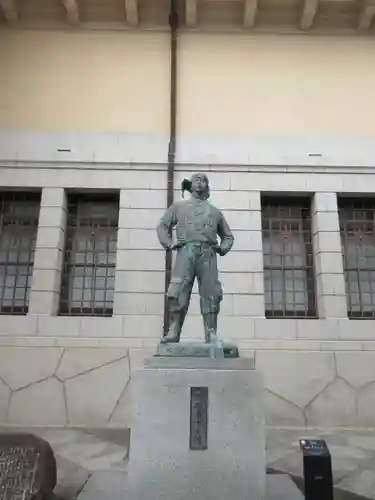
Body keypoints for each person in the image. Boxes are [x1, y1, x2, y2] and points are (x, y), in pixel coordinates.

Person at [157, 173, 234, 344]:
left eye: (203, 180)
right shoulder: (178, 207)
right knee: (178, 291)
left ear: (207, 186)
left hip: (208, 253)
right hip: (186, 252)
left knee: (211, 292)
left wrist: (222, 249)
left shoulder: (215, 212)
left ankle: (211, 332)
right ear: (190, 185)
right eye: (197, 180)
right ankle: (174, 330)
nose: (200, 183)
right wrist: (170, 244)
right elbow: (163, 226)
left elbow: (228, 236)